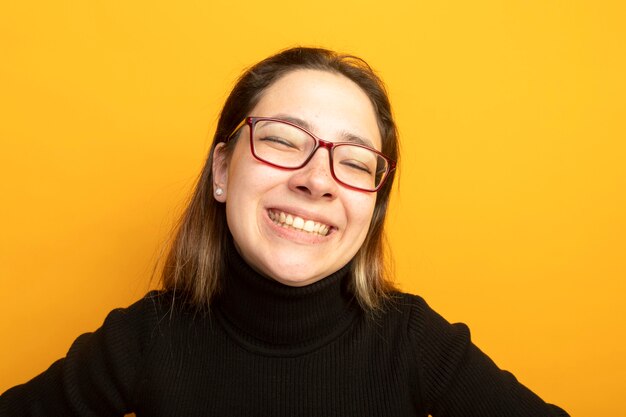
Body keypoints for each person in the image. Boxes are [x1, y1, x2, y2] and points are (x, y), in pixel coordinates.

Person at [0, 47, 569, 416]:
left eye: (354, 160)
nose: (318, 180)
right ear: (223, 171)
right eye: (281, 140)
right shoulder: (144, 340)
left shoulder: (415, 342)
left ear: (373, 205)